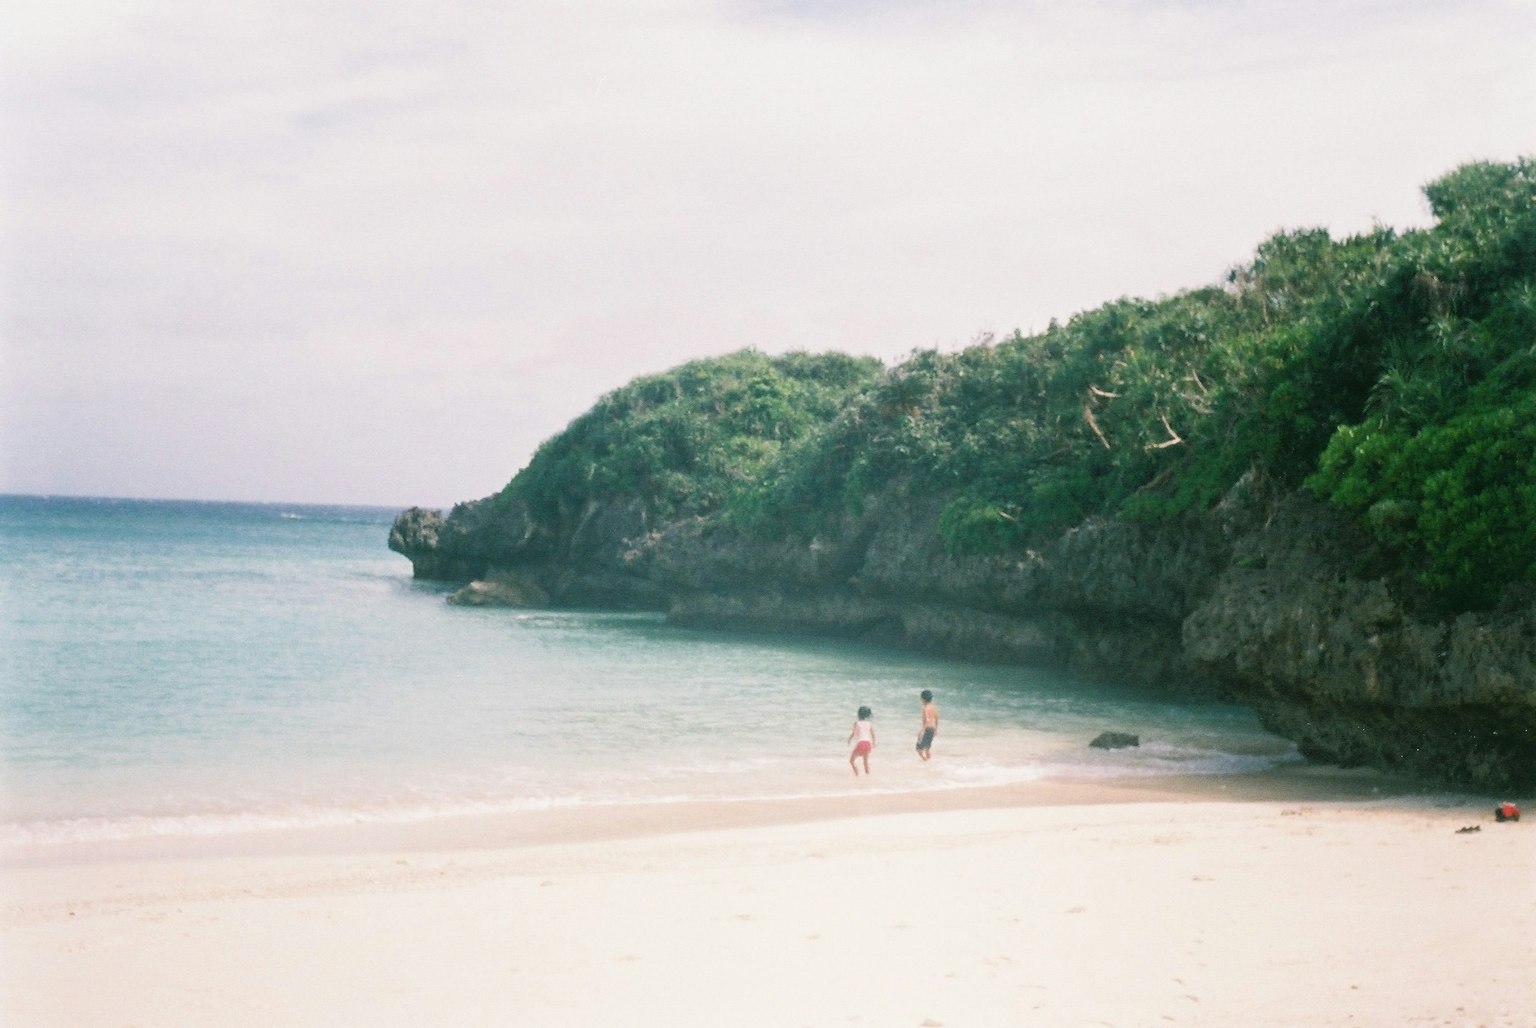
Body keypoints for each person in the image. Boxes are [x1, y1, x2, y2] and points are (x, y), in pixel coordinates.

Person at [848, 705, 875, 776]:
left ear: (858, 714)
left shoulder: (856, 723)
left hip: (861, 743)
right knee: (865, 762)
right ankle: (868, 776)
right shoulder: (869, 723)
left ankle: (857, 774)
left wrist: (849, 740)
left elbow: (853, 734)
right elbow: (873, 735)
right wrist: (874, 743)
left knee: (851, 761)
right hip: (868, 744)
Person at [916, 689, 938, 761]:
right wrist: (936, 729)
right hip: (932, 728)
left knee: (918, 749)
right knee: (927, 748)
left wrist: (922, 731)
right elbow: (936, 718)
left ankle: (925, 760)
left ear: (923, 699)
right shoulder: (934, 707)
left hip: (927, 729)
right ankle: (929, 762)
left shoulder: (925, 708)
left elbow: (927, 720)